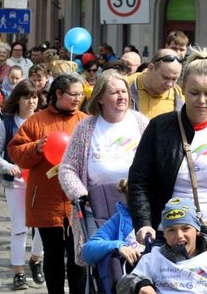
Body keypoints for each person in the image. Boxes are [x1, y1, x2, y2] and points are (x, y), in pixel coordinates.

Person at [128, 49, 207, 245]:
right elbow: (139, 180)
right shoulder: (159, 127)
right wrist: (143, 223)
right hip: (168, 234)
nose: (201, 101)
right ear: (182, 88)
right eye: (194, 93)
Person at [8, 74, 87, 294]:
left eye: (80, 94)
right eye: (73, 94)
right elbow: (15, 151)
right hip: (45, 198)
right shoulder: (36, 121)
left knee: (79, 252)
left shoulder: (86, 121)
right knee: (52, 253)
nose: (77, 98)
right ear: (58, 94)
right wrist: (37, 147)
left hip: (77, 199)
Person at [59, 69, 149, 262]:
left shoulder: (141, 123)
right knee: (101, 262)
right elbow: (67, 168)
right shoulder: (86, 127)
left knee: (137, 259)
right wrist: (80, 195)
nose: (121, 96)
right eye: (114, 92)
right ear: (100, 98)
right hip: (97, 208)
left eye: (124, 91)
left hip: (135, 206)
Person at [0, 80, 44, 290]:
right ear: (18, 99)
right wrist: (6, 166)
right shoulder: (7, 123)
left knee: (42, 226)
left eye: (34, 97)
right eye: (27, 97)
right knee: (19, 227)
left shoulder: (42, 121)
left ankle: (36, 259)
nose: (31, 102)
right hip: (16, 182)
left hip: (40, 181)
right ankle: (18, 271)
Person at [127, 49, 184, 119]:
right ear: (151, 68)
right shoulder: (125, 86)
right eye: (165, 77)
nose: (169, 84)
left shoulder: (179, 96)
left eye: (174, 79)